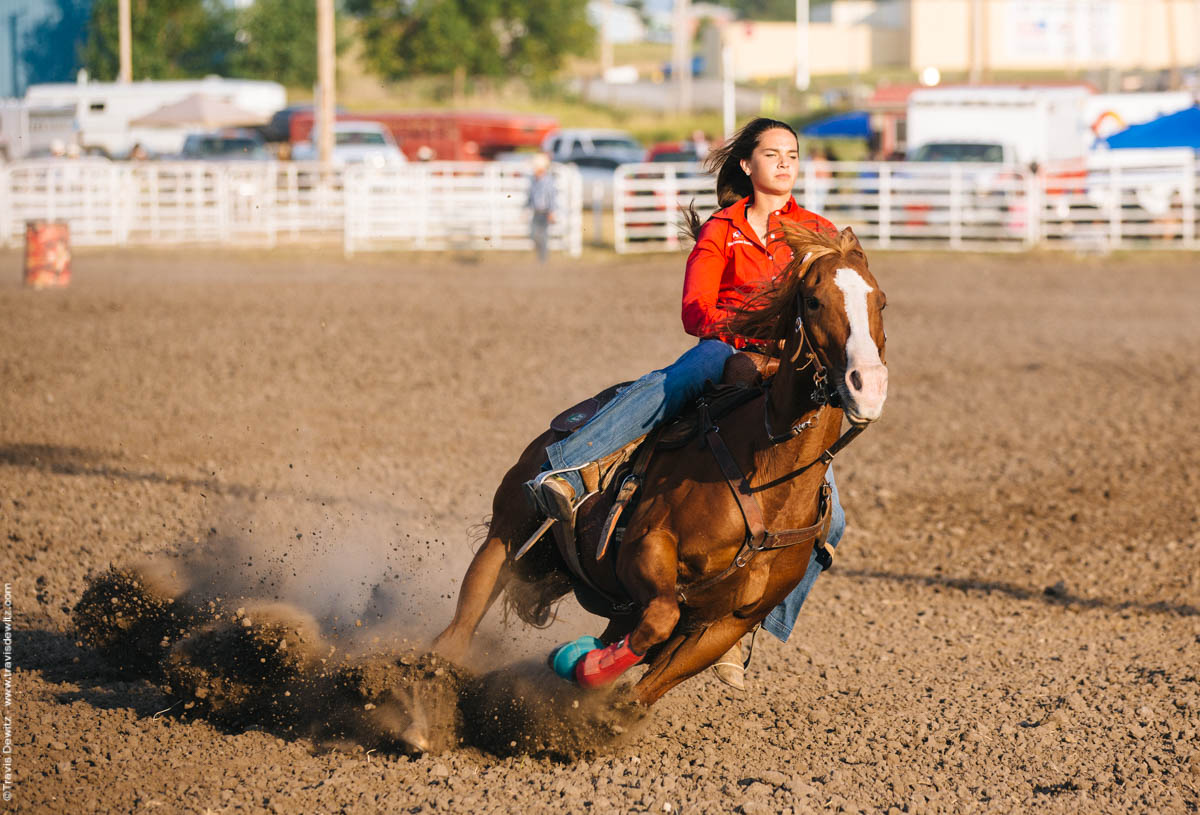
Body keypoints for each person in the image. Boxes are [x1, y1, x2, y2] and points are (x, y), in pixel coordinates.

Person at [528, 117, 847, 690]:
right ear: (747, 165)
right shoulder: (722, 230)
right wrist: (749, 330)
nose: (784, 163)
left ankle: (742, 627)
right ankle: (573, 467)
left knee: (833, 520)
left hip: (786, 369)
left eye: (792, 155)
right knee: (671, 383)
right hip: (725, 349)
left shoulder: (817, 233)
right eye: (772, 154)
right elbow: (695, 310)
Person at [527, 152, 557, 263]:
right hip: (536, 211)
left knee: (543, 235)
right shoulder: (534, 180)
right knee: (533, 234)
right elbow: (530, 196)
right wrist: (526, 207)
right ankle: (541, 256)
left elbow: (552, 197)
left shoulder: (548, 181)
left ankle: (543, 259)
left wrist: (552, 212)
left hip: (545, 212)